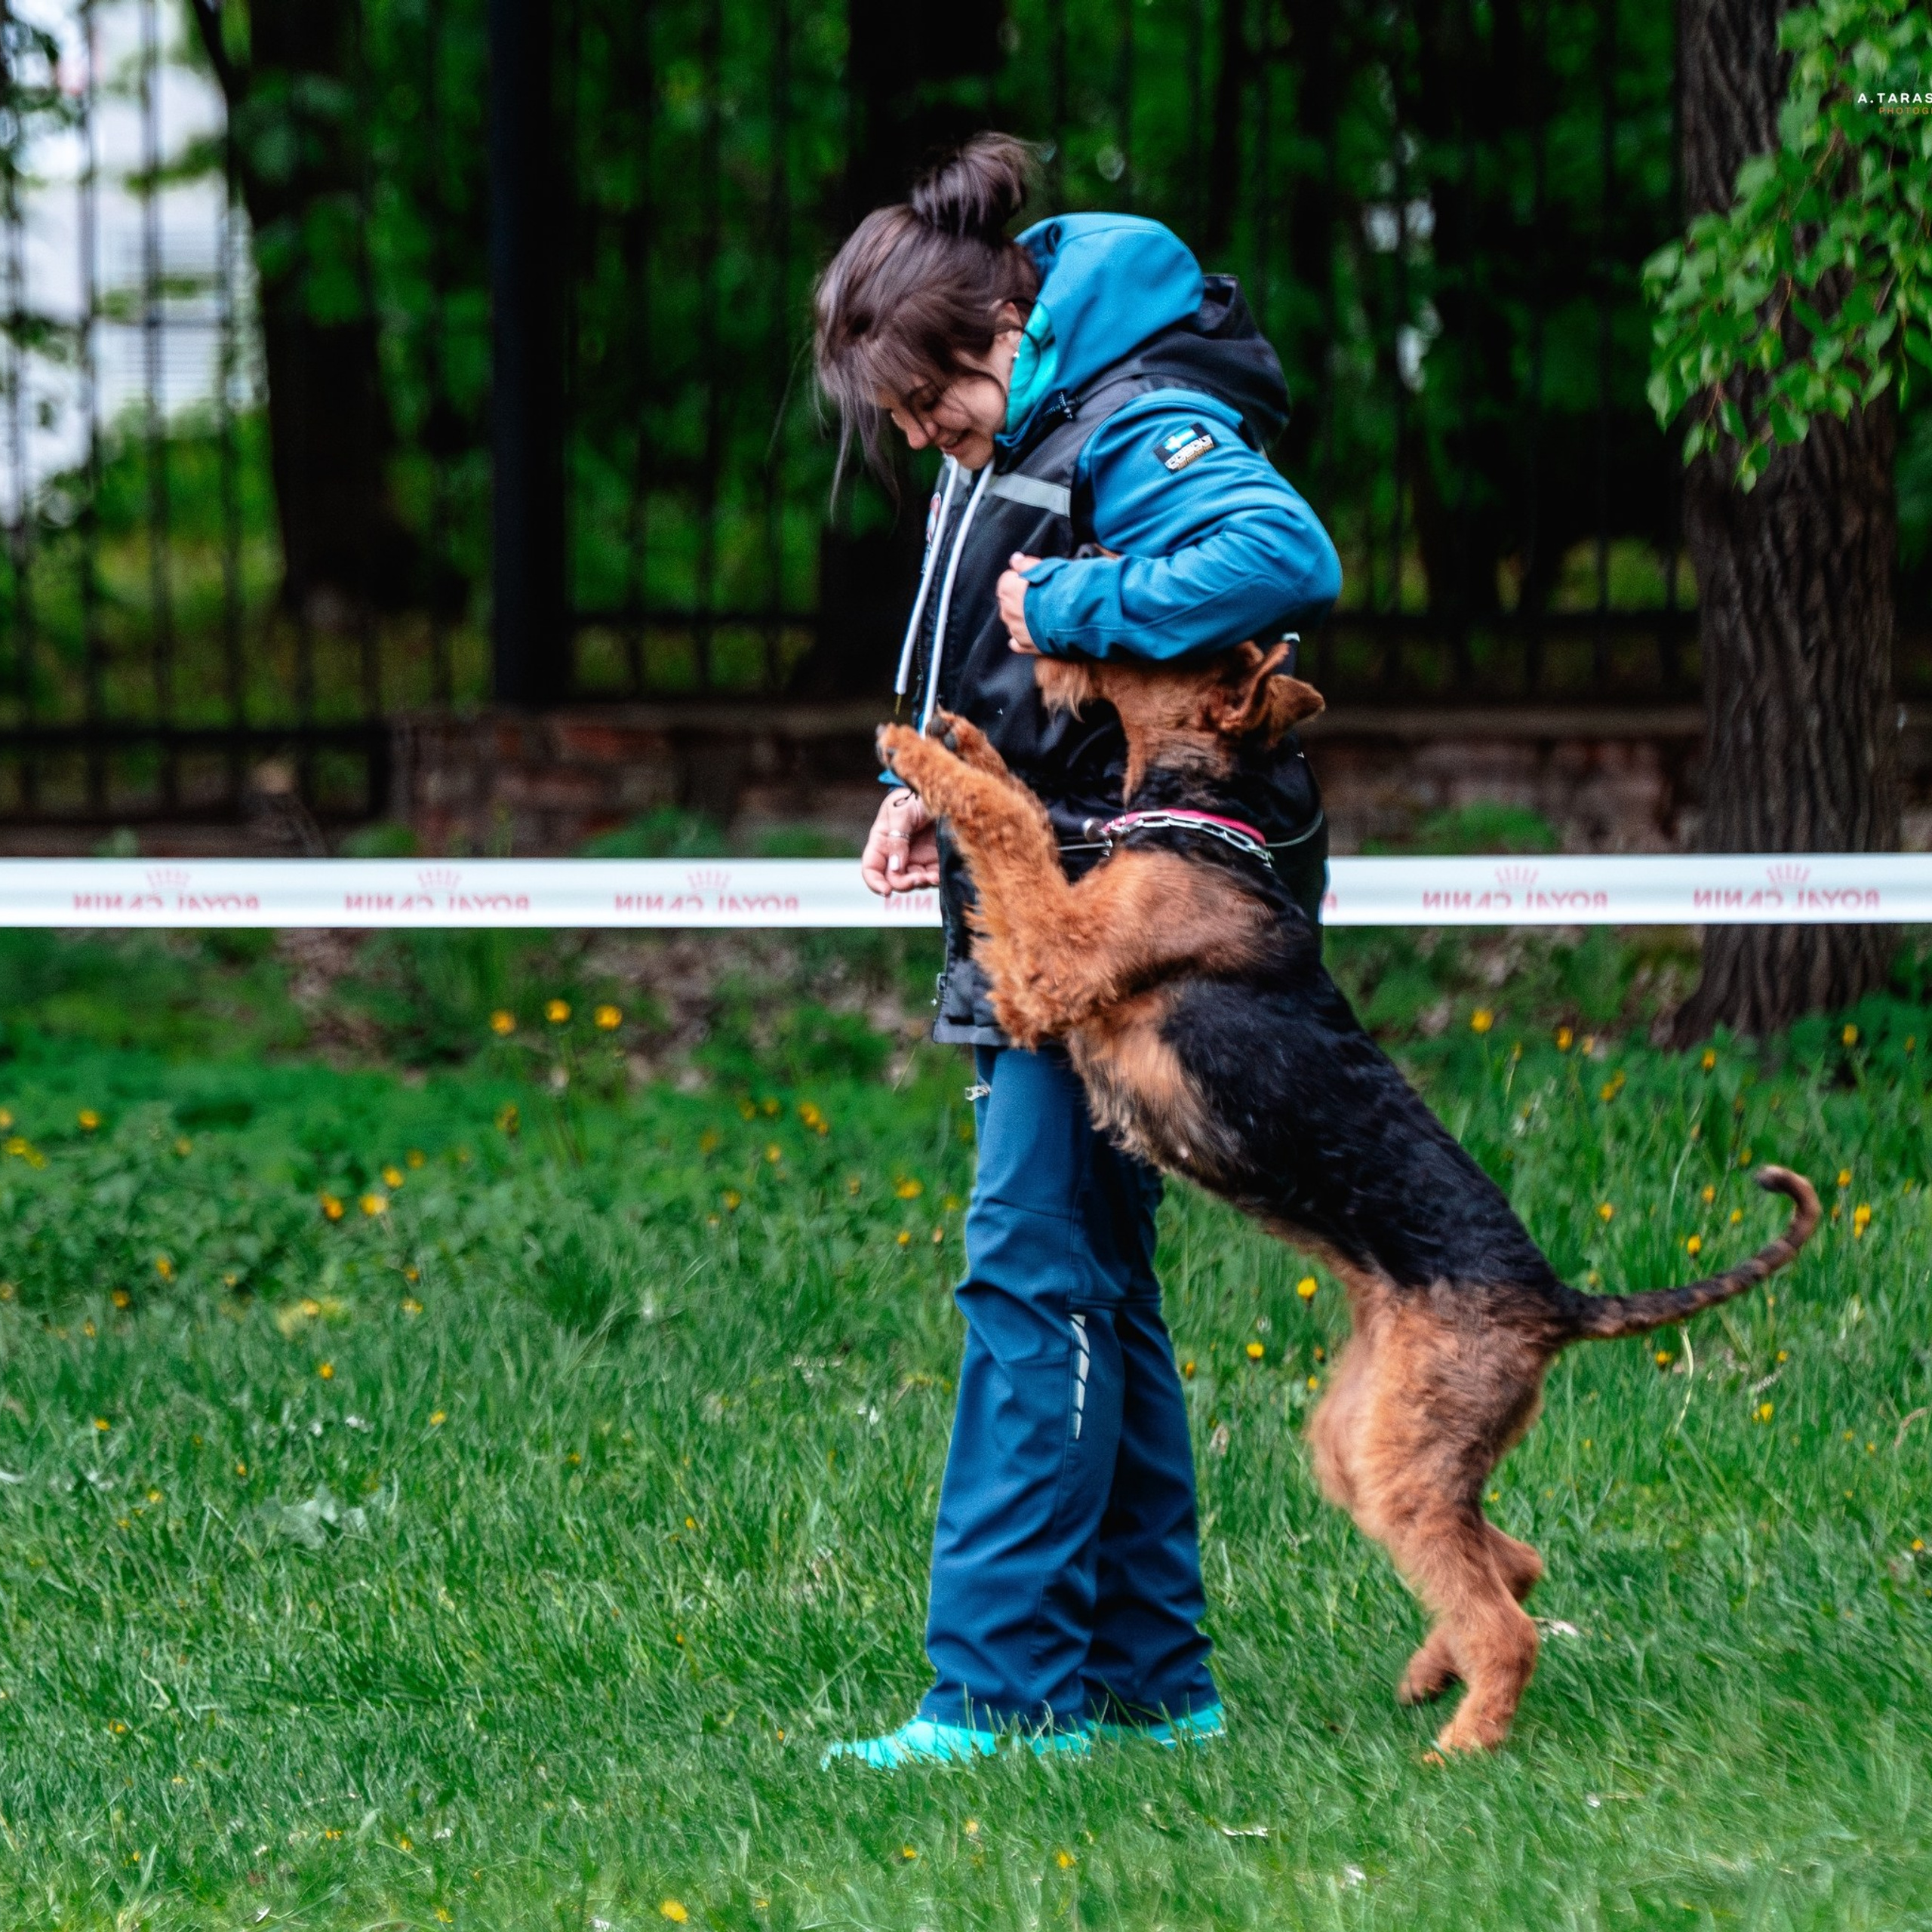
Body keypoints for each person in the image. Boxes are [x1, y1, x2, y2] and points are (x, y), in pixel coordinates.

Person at [816, 134, 1343, 1767]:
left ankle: (996, 1690)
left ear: (994, 329)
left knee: (1027, 1266)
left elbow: (1281, 558)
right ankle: (1148, 1681)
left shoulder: (1132, 408)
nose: (916, 437)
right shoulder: (1035, 413)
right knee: (1092, 1268)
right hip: (1046, 885)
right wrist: (936, 783)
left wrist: (1089, 602)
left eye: (922, 403)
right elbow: (999, 632)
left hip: (1114, 911)